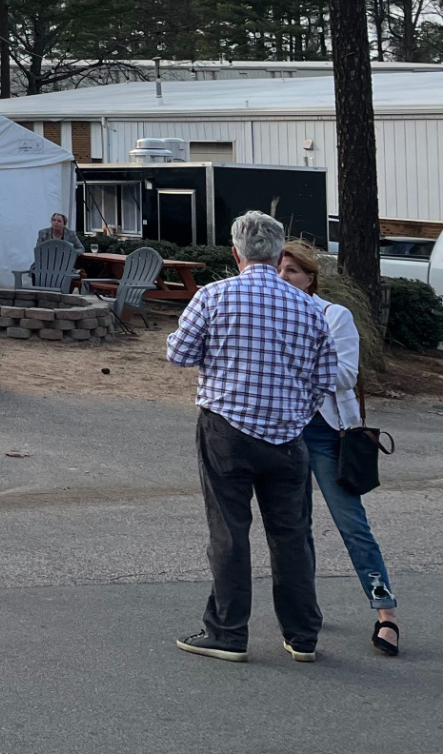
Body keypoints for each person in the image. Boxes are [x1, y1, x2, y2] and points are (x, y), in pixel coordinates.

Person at [166, 210, 336, 663]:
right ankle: (302, 635)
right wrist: (296, 414)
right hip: (287, 435)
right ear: (280, 255)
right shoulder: (309, 307)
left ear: (236, 253)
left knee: (229, 530)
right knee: (292, 535)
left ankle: (228, 632)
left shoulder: (213, 295)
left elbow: (179, 353)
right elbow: (325, 378)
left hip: (226, 427)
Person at [276, 239, 400, 656]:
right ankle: (305, 610)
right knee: (296, 526)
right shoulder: (270, 314)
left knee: (352, 525)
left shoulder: (334, 315)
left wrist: (298, 363)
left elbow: (347, 375)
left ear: (310, 278)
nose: (283, 277)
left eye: (292, 270)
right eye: (278, 270)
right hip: (285, 432)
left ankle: (386, 612)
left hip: (329, 435)